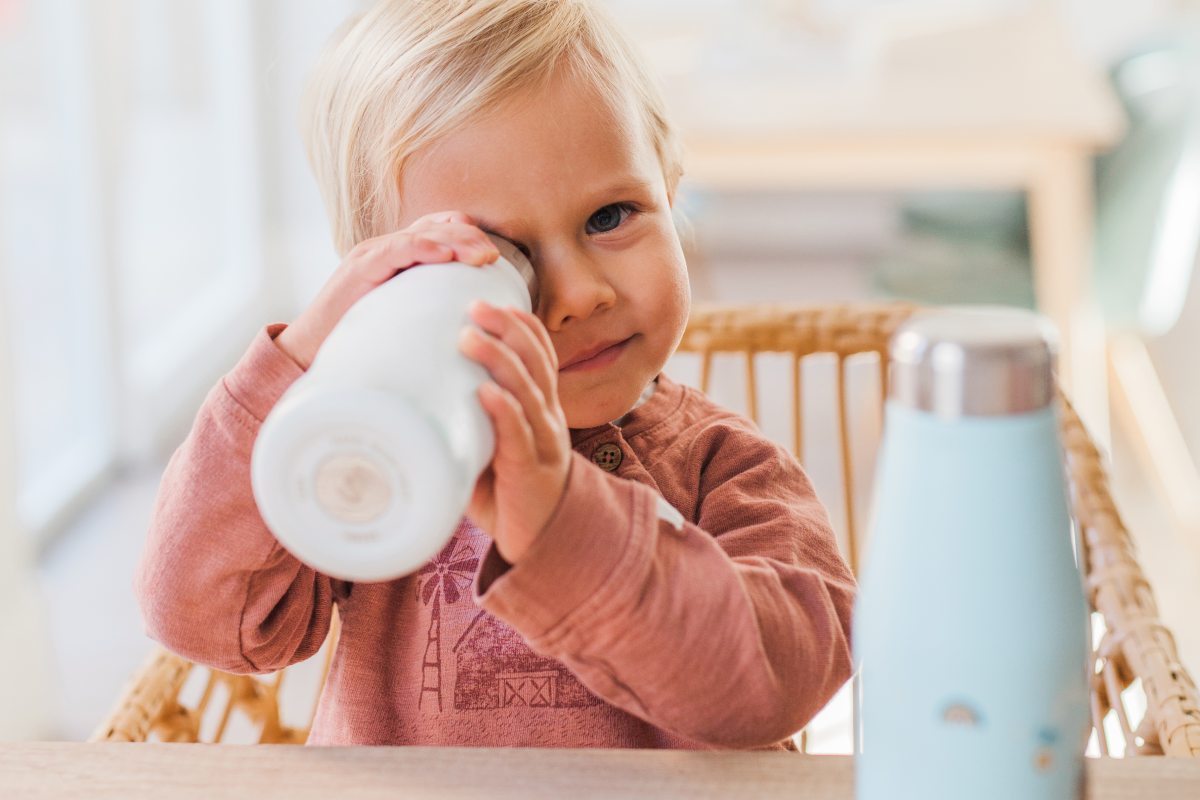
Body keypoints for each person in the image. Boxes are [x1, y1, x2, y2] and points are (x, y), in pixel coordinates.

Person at [134, 0, 855, 749]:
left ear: (671, 195)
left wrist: (561, 521)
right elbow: (200, 619)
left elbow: (781, 683)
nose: (578, 295)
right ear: (401, 288)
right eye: (504, 260)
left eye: (611, 216)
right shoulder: (386, 462)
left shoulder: (723, 467)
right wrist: (299, 367)